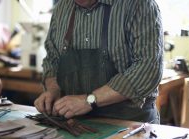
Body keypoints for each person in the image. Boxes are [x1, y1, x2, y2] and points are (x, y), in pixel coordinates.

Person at [34, 0, 163, 124]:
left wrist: (89, 100)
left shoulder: (139, 5)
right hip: (76, 123)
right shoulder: (61, 8)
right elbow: (52, 60)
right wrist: (53, 90)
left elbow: (148, 68)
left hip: (130, 123)